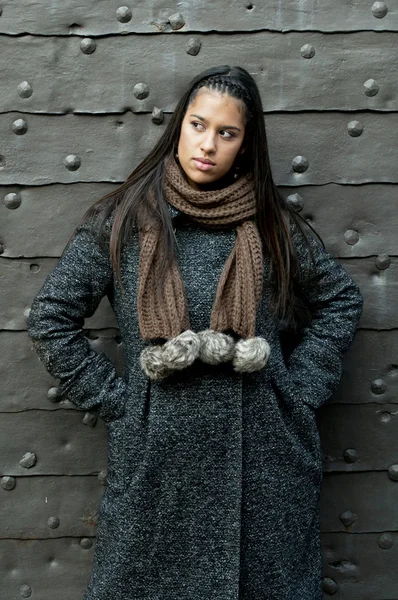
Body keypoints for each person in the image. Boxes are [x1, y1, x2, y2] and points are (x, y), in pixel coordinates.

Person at [27, 65, 363, 599]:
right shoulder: (123, 221)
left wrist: (297, 394)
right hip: (157, 468)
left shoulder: (272, 225)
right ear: (179, 127)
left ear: (246, 146)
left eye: (226, 133)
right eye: (197, 125)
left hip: (265, 469)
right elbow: (50, 318)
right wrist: (123, 403)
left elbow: (339, 301)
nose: (208, 144)